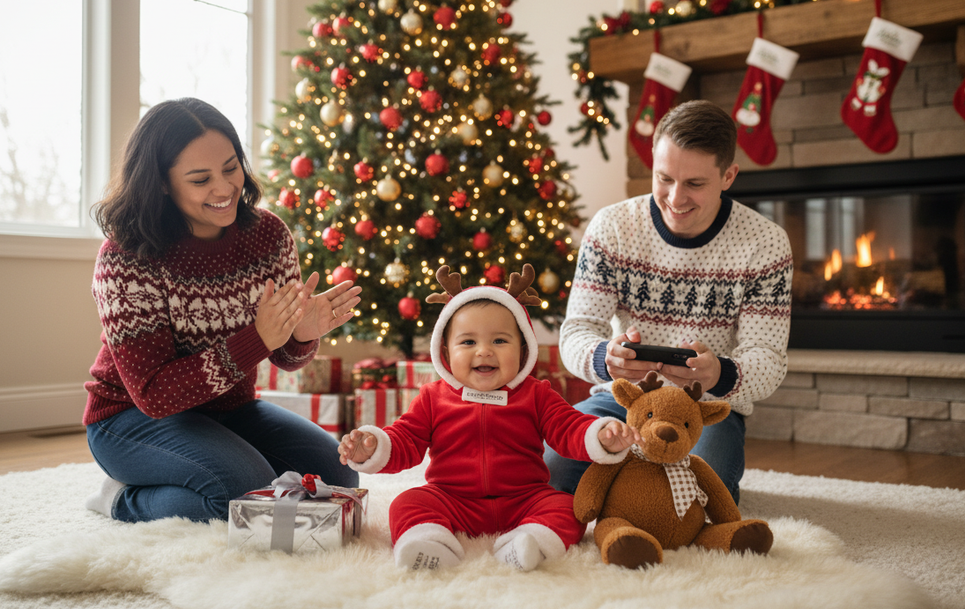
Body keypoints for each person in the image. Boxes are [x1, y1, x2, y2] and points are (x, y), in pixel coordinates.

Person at [83, 97, 362, 523]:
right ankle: (123, 501)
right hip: (129, 419)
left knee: (336, 475)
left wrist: (301, 333)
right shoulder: (126, 256)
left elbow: (286, 359)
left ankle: (203, 468)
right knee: (245, 494)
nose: (224, 188)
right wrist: (258, 339)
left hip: (229, 409)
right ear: (160, 182)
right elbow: (155, 396)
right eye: (200, 179)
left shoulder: (268, 235)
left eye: (231, 168)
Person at [545, 100, 793, 504]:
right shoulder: (612, 228)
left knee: (696, 498)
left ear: (728, 175)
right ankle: (627, 481)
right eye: (664, 179)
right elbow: (576, 332)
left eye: (695, 184)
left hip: (705, 407)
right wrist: (603, 358)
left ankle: (625, 484)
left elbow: (768, 359)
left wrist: (718, 375)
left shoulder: (765, 243)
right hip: (621, 397)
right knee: (550, 470)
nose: (676, 199)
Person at [339, 265, 641, 572]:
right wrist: (373, 446)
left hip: (524, 498)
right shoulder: (433, 397)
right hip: (452, 498)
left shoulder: (536, 394)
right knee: (407, 503)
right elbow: (405, 440)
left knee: (567, 506)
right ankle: (428, 542)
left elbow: (569, 427)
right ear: (445, 352)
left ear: (523, 351)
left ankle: (529, 542)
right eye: (468, 342)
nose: (484, 351)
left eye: (499, 341)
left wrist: (600, 434)